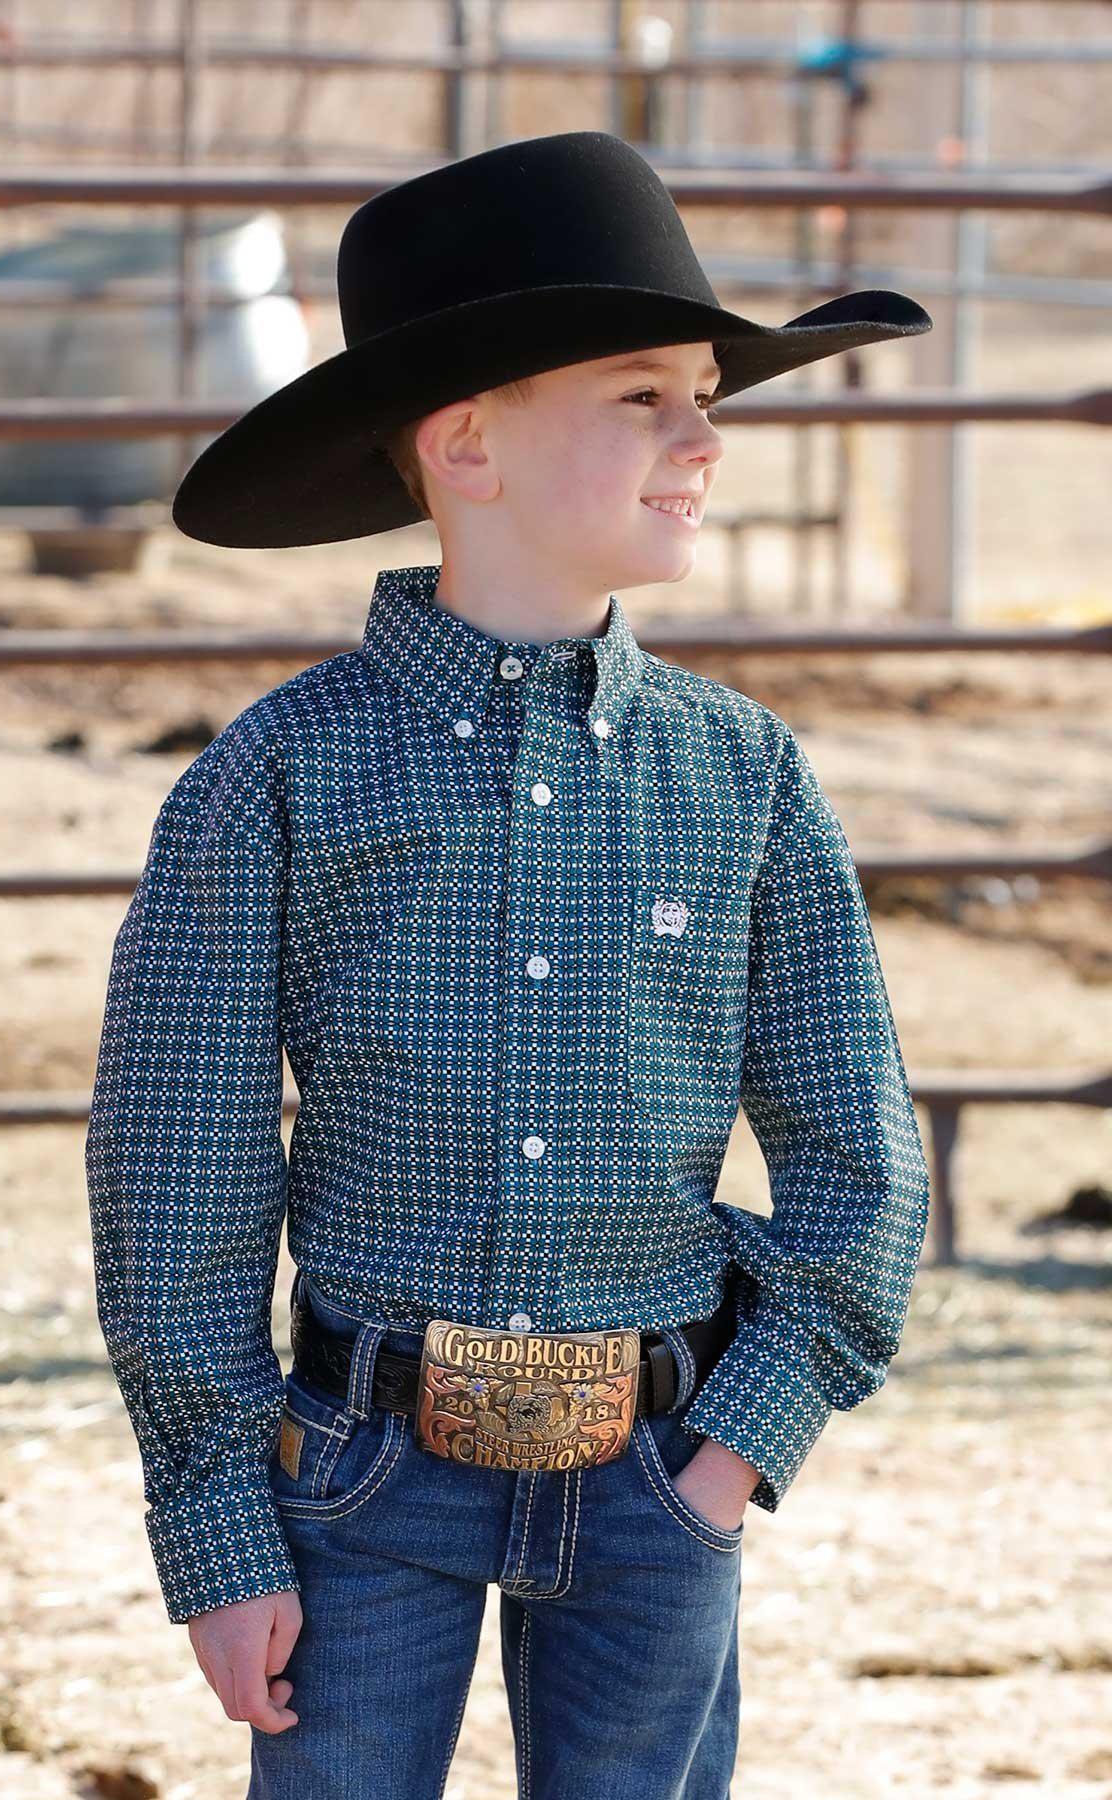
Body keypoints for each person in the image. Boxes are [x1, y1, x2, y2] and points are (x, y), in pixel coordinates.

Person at [86, 130, 933, 1799]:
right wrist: (218, 1523)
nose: (705, 440)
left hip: (659, 1469)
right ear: (467, 442)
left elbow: (861, 1156)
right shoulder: (275, 781)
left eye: (707, 397)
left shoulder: (744, 777)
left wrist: (736, 1448)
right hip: (355, 1478)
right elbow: (178, 1170)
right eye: (643, 397)